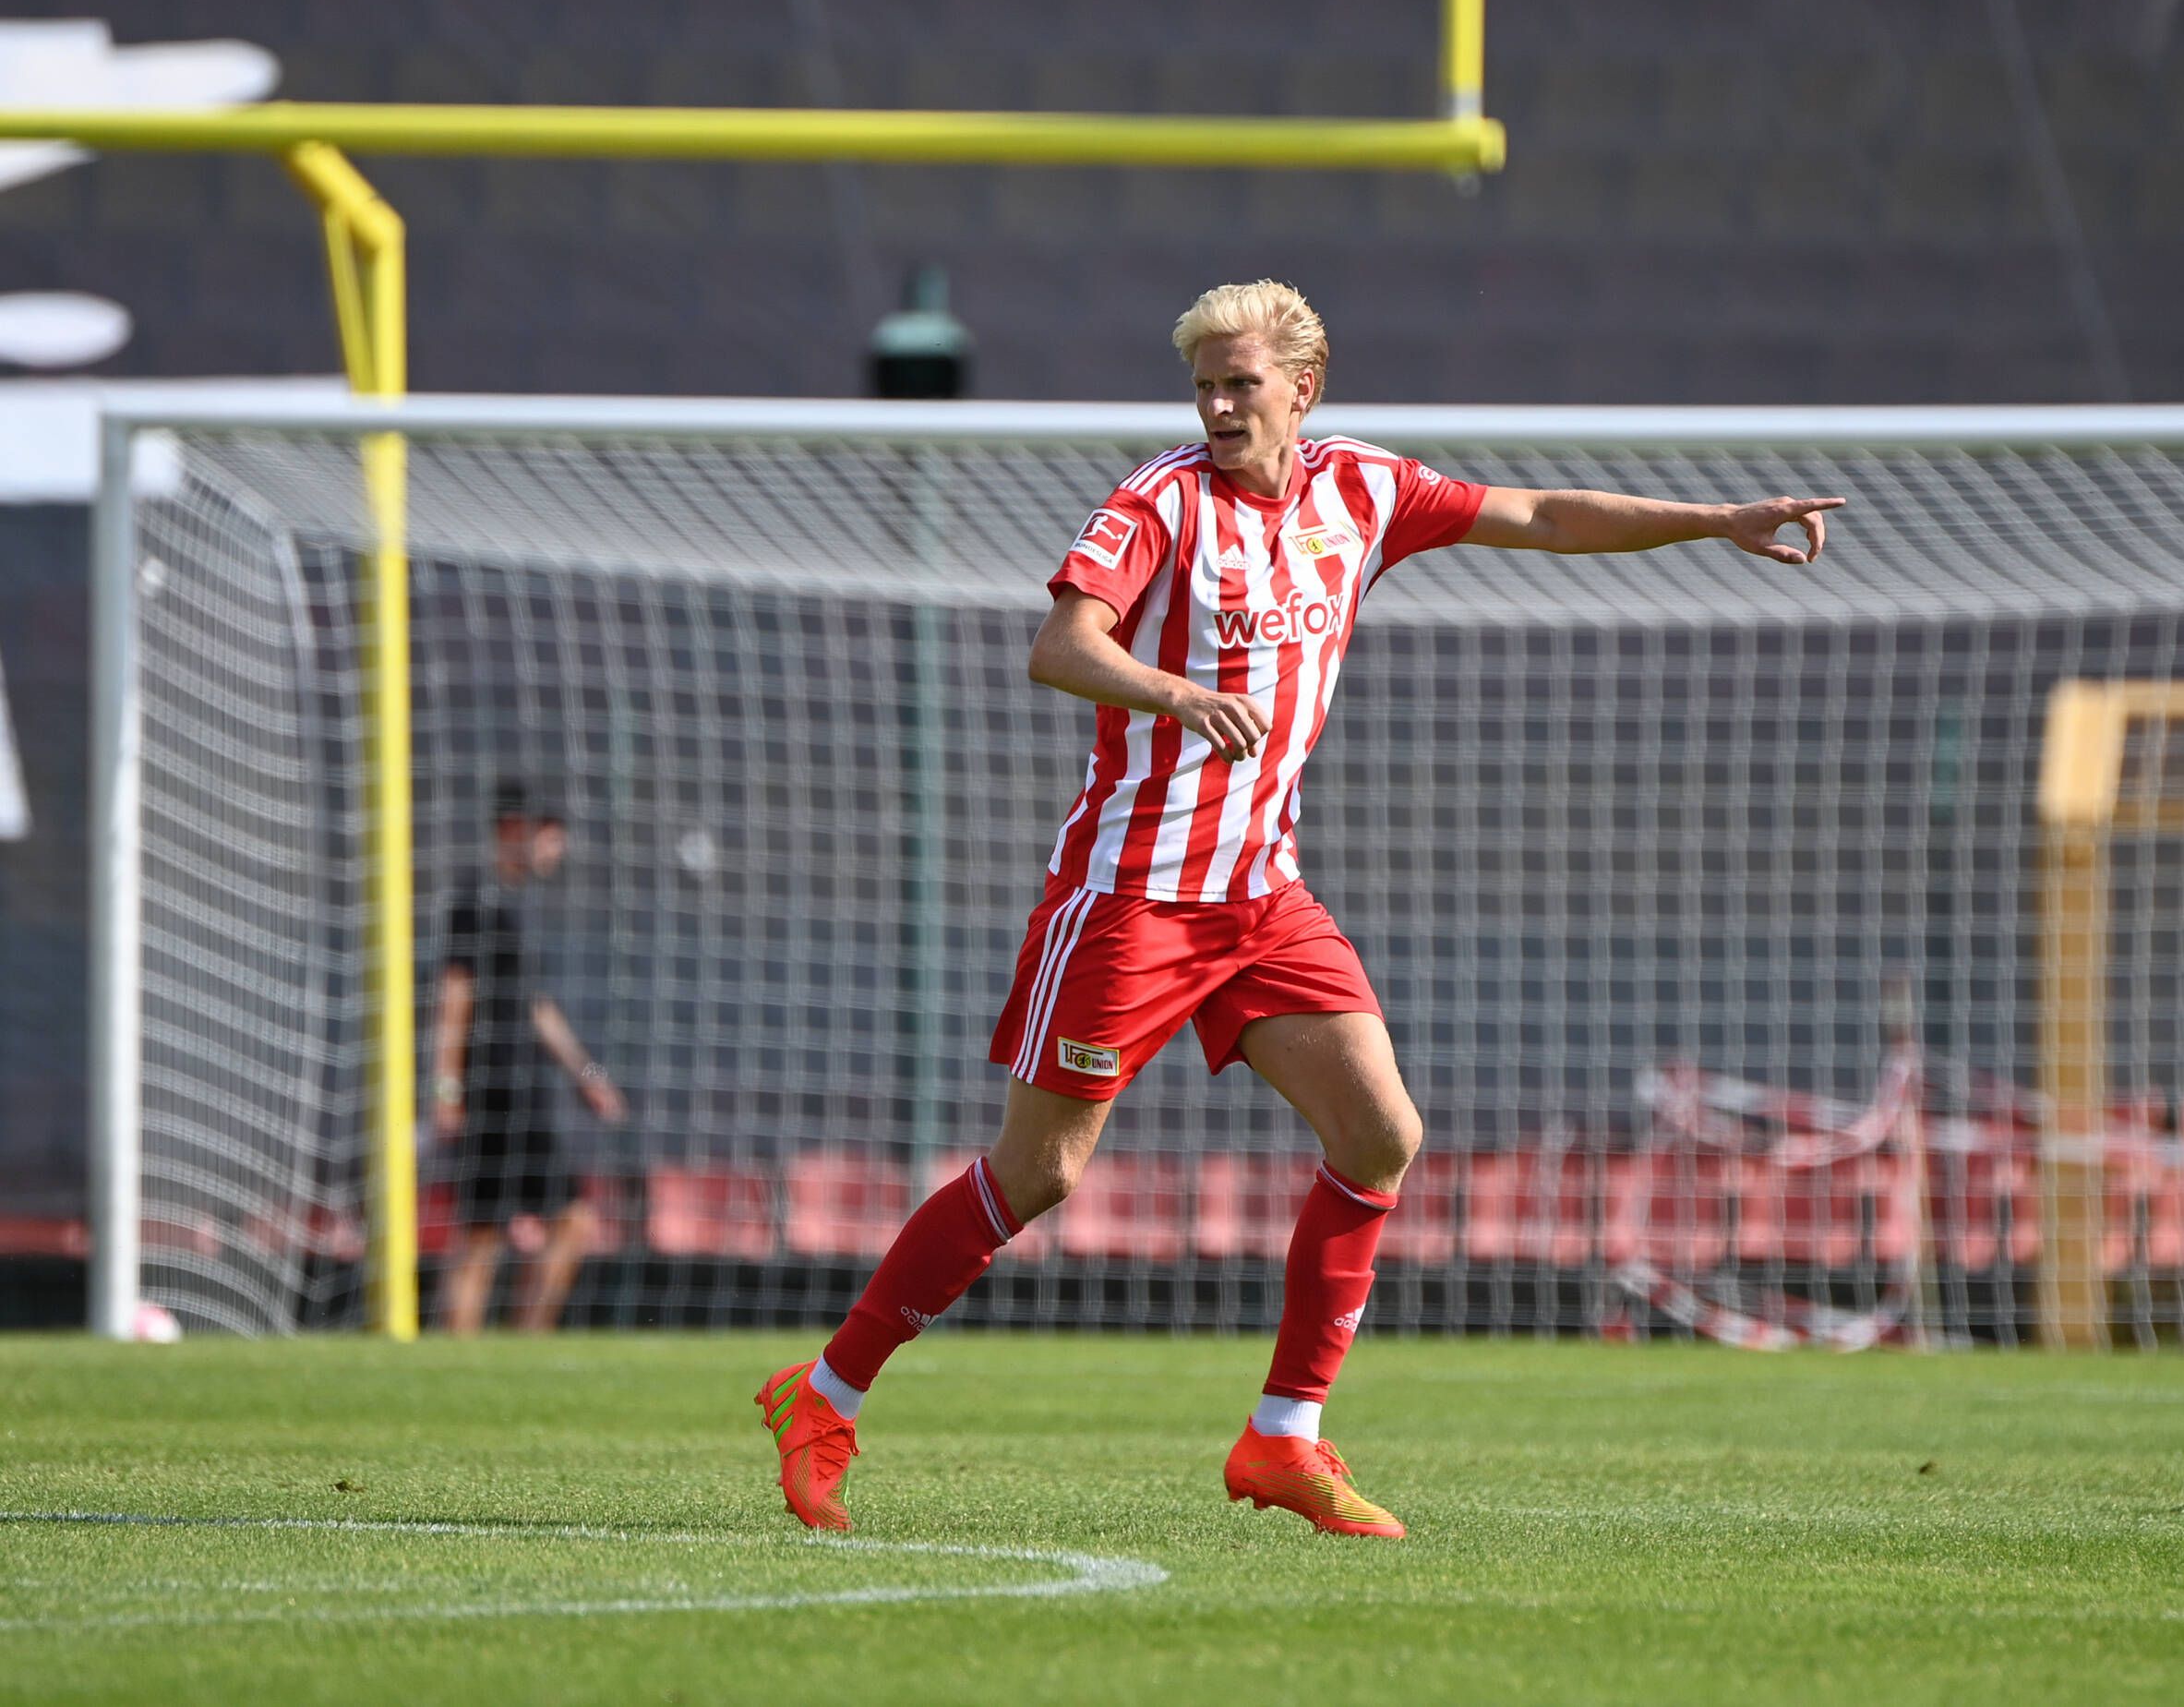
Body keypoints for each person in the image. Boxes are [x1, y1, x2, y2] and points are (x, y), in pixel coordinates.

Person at [757, 280, 1842, 1537]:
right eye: (1205, 386)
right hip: (1133, 898)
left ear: (1303, 388)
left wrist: (1715, 522)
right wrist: (1172, 694)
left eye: (1242, 384)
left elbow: (1539, 512)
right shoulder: (1159, 503)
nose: (1219, 406)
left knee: (1380, 1135)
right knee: (1040, 1173)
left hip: (1262, 898)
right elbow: (1062, 646)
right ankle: (825, 1393)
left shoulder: (1361, 489)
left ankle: (1284, 1440)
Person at [432, 782, 627, 1333]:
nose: (555, 849)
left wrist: (587, 1075)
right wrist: (446, 1088)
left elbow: (536, 1005)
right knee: (483, 1234)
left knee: (569, 1221)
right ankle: (462, 1359)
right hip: (491, 1089)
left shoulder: (523, 902)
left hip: (529, 1090)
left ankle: (523, 1345)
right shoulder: (477, 900)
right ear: (515, 829)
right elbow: (454, 994)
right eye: (548, 835)